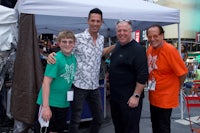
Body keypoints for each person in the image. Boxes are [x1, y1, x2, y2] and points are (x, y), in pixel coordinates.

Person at [47, 8, 115, 133]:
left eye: (98, 21)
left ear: (101, 22)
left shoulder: (101, 39)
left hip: (94, 86)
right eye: (93, 20)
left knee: (99, 118)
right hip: (79, 86)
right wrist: (51, 55)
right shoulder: (78, 38)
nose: (95, 23)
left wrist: (114, 46)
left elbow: (100, 53)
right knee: (75, 120)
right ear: (88, 21)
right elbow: (65, 51)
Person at [146, 24, 188, 133]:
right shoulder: (149, 49)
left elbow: (183, 73)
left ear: (162, 35)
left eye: (155, 36)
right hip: (153, 95)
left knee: (163, 127)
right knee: (155, 125)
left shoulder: (170, 50)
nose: (152, 39)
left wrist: (177, 88)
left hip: (166, 97)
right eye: (149, 37)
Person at [109, 20, 149, 133]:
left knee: (130, 129)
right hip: (116, 98)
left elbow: (143, 75)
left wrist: (136, 96)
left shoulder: (138, 50)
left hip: (130, 100)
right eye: (119, 30)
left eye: (125, 30)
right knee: (119, 128)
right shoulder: (117, 46)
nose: (122, 33)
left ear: (131, 31)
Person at [36, 30, 77, 133]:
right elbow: (46, 83)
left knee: (58, 129)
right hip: (50, 103)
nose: (67, 44)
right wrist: (46, 107)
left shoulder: (73, 58)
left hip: (63, 103)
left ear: (74, 43)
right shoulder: (55, 59)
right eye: (64, 41)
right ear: (59, 43)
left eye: (70, 41)